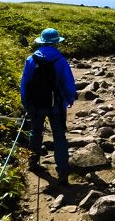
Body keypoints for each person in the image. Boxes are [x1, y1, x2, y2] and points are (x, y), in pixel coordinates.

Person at [20, 28, 76, 185]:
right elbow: (67, 82)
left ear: (41, 41)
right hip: (56, 105)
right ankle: (63, 171)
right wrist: (70, 97)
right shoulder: (60, 60)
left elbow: (25, 83)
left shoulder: (31, 60)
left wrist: (26, 102)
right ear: (56, 42)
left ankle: (33, 162)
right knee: (59, 137)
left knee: (35, 132)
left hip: (36, 104)